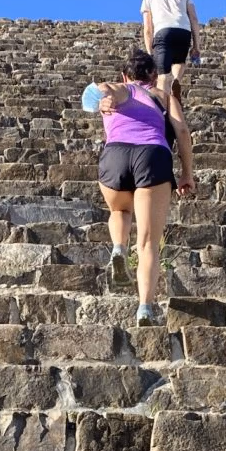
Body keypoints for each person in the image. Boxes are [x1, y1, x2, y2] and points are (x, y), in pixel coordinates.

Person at [87, 49, 194, 326]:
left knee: (119, 210)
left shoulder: (119, 88)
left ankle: (118, 249)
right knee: (148, 242)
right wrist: (186, 174)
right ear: (154, 75)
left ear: (125, 74)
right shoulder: (163, 96)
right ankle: (145, 307)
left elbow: (102, 89)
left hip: (115, 156)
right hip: (152, 155)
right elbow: (182, 131)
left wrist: (104, 96)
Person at [141, 0, 200, 95]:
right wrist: (196, 46)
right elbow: (193, 18)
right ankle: (176, 80)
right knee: (179, 61)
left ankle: (164, 102)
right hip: (183, 31)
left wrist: (150, 52)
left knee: (162, 75)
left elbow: (148, 28)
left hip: (163, 31)